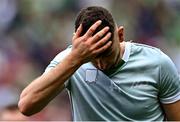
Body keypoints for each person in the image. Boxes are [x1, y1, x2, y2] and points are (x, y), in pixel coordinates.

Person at [18, 6, 180, 121]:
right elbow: (26, 105)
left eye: (107, 54)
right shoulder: (70, 61)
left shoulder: (157, 63)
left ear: (121, 35)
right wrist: (76, 59)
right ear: (76, 42)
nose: (101, 64)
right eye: (92, 57)